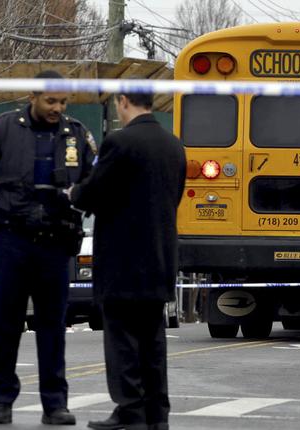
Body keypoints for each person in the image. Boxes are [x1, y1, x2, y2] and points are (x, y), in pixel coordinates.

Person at [0, 70, 96, 425]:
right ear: (33, 97)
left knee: (52, 327)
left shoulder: (77, 134)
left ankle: (55, 404)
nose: (57, 108)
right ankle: (1, 400)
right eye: (51, 101)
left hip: (55, 244)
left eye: (63, 102)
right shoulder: (3, 128)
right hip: (12, 240)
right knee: (5, 323)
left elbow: (98, 180)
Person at [70, 90, 186, 430]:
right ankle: (156, 414)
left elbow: (95, 191)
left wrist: (73, 194)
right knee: (153, 342)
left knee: (122, 341)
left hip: (122, 262)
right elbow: (174, 196)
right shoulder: (174, 146)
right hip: (160, 258)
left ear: (123, 101)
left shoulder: (119, 143)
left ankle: (130, 409)